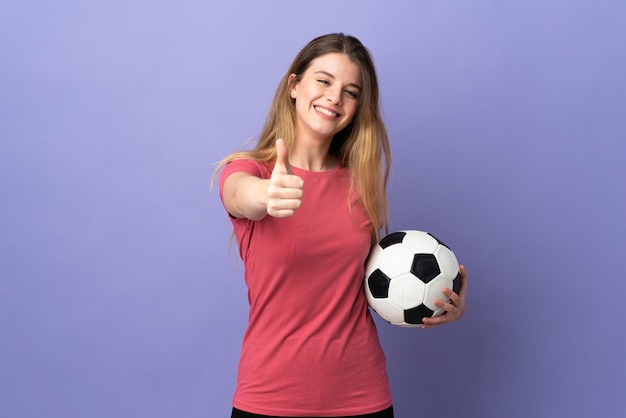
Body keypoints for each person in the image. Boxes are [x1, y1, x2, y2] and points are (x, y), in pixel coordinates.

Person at [215, 33, 467, 418]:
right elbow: (238, 194)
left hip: (362, 397)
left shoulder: (360, 183)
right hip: (270, 399)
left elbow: (372, 283)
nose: (334, 97)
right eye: (323, 81)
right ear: (294, 86)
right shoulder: (251, 171)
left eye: (350, 91)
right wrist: (264, 195)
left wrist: (442, 296)